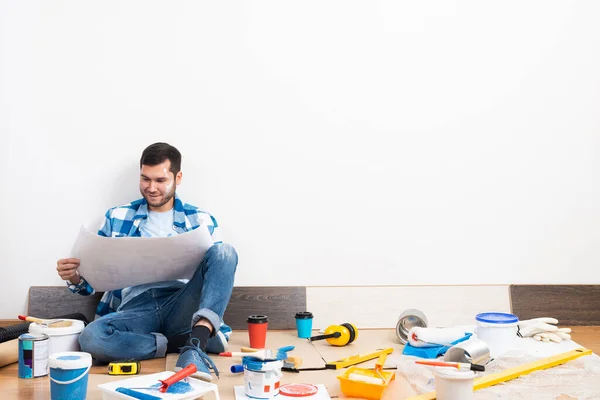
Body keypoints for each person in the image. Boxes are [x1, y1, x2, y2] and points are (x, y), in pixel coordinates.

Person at [56, 142, 238, 381]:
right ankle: (178, 342)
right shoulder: (117, 216)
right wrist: (75, 277)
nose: (151, 188)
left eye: (160, 180)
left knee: (225, 252)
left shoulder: (201, 219)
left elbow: (217, 275)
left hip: (180, 303)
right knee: (91, 338)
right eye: (145, 179)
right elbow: (91, 282)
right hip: (135, 308)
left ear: (178, 177)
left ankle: (196, 343)